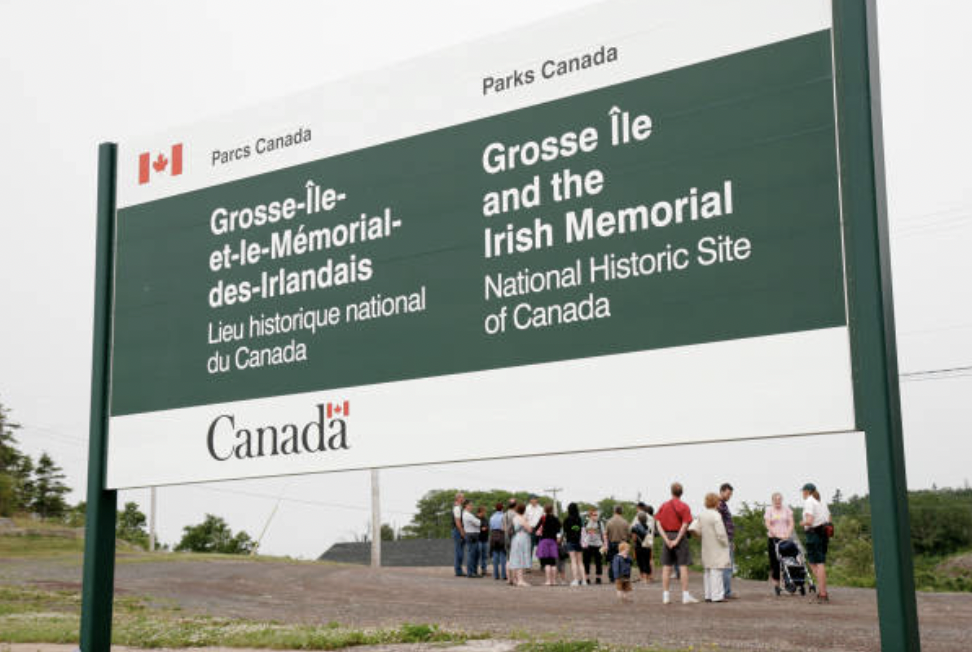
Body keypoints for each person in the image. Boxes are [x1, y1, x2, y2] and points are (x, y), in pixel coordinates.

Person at [656, 482, 699, 604]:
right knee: (683, 566)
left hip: (667, 535)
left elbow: (658, 524)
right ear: (682, 492)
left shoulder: (664, 506)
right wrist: (677, 540)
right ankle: (685, 596)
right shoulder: (684, 506)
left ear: (671, 491)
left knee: (666, 567)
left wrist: (666, 539)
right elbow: (685, 524)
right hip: (679, 536)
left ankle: (666, 596)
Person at [801, 482, 832, 602]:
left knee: (817, 562)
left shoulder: (809, 501)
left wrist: (801, 523)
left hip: (813, 533)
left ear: (806, 492)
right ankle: (822, 590)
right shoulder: (821, 501)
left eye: (803, 492)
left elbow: (809, 520)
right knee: (817, 562)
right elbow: (829, 518)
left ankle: (823, 593)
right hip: (824, 533)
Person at [699, 492, 731, 602]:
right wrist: (726, 543)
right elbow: (721, 533)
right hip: (716, 546)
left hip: (706, 545)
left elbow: (695, 529)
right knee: (716, 571)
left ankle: (708, 595)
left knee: (707, 571)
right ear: (715, 502)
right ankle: (717, 596)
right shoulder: (716, 515)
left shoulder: (702, 514)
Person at [764, 492, 794, 594]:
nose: (778, 501)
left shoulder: (787, 509)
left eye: (780, 499)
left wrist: (788, 533)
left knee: (787, 561)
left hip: (785, 538)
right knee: (775, 562)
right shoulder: (769, 510)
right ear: (772, 501)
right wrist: (775, 533)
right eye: (776, 500)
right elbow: (768, 524)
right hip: (773, 538)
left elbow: (791, 522)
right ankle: (776, 585)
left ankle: (788, 582)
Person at [717, 483, 736, 598]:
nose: (730, 496)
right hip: (723, 540)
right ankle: (726, 592)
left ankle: (725, 591)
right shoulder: (719, 505)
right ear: (722, 491)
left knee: (726, 567)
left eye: (731, 494)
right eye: (728, 494)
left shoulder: (722, 504)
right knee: (727, 566)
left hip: (727, 539)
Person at [535, 504, 562, 586]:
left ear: (545, 510)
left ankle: (548, 581)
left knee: (546, 563)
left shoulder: (543, 518)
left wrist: (541, 530)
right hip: (553, 541)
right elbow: (559, 529)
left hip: (544, 540)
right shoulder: (556, 519)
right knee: (553, 562)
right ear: (552, 510)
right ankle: (554, 581)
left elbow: (536, 528)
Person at [508, 503, 533, 587]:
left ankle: (515, 579)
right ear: (524, 510)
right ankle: (520, 580)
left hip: (516, 538)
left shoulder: (515, 517)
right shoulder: (522, 518)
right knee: (521, 558)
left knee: (516, 558)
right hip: (522, 538)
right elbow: (529, 529)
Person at [562, 502, 586, 586]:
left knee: (573, 561)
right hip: (579, 541)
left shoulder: (566, 519)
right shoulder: (580, 519)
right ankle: (584, 581)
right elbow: (582, 529)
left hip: (570, 541)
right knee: (580, 562)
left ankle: (576, 580)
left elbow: (564, 531)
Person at [605, 505, 629, 582]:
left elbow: (606, 534)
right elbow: (629, 534)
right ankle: (621, 577)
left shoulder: (609, 522)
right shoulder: (625, 522)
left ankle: (612, 578)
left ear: (614, 511)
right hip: (623, 544)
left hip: (612, 543)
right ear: (621, 512)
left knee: (612, 561)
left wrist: (606, 545)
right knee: (622, 561)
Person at [581, 507, 605, 584]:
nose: (596, 516)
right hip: (588, 545)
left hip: (598, 545)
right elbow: (583, 534)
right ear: (590, 515)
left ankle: (598, 578)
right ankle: (587, 578)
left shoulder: (600, 523)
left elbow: (604, 534)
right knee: (586, 562)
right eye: (594, 515)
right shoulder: (586, 523)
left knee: (599, 562)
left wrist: (605, 544)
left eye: (597, 515)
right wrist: (583, 543)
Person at [630, 511, 654, 584]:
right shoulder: (648, 527)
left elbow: (634, 538)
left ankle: (643, 578)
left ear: (638, 519)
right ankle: (649, 577)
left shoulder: (635, 527)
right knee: (647, 561)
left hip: (639, 546)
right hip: (647, 546)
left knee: (641, 562)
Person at [461, 500, 481, 578]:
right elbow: (479, 523)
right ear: (466, 506)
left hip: (472, 534)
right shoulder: (467, 515)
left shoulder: (468, 514)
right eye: (470, 505)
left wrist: (477, 522)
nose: (472, 506)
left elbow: (477, 522)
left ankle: (473, 571)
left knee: (474, 554)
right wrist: (477, 522)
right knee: (472, 554)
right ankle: (470, 572)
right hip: (471, 534)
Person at [489, 502, 508, 581]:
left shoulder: (492, 517)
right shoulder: (504, 516)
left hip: (493, 535)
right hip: (501, 535)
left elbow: (491, 527)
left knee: (495, 556)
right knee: (503, 556)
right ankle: (504, 575)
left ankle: (496, 575)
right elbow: (505, 527)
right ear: (502, 508)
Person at [502, 498, 518, 584]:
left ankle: (509, 579)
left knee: (508, 558)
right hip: (514, 537)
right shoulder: (516, 514)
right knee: (515, 558)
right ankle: (515, 579)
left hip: (506, 536)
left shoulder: (504, 514)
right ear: (515, 505)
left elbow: (503, 527)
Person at [451, 492, 465, 577]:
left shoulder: (459, 507)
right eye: (462, 497)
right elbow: (457, 521)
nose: (463, 499)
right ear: (458, 498)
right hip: (457, 530)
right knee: (459, 552)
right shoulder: (457, 508)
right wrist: (462, 531)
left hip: (457, 530)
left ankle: (459, 569)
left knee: (460, 551)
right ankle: (458, 571)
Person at [477, 505, 489, 577]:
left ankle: (484, 570)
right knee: (477, 555)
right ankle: (475, 570)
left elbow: (487, 526)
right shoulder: (476, 518)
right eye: (484, 511)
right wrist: (481, 528)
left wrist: (485, 528)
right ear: (480, 511)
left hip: (485, 539)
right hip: (478, 539)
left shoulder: (485, 519)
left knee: (484, 556)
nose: (485, 513)